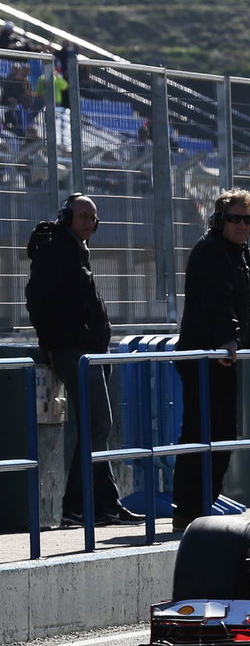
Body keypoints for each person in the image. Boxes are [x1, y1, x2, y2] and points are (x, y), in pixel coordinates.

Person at [25, 193, 142, 527]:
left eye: (93, 218)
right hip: (72, 349)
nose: (90, 223)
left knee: (97, 427)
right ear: (67, 218)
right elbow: (36, 296)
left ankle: (103, 503)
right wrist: (49, 342)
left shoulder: (75, 249)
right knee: (98, 424)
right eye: (83, 217)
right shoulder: (58, 249)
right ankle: (76, 504)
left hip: (87, 349)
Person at [173, 189, 250, 532]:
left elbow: (247, 305)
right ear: (219, 221)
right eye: (235, 218)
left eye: (248, 220)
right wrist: (227, 339)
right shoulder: (211, 251)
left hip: (223, 357)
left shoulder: (240, 254)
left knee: (224, 434)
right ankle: (188, 511)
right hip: (203, 356)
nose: (242, 225)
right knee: (200, 433)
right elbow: (217, 301)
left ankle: (202, 507)